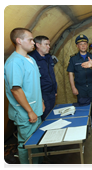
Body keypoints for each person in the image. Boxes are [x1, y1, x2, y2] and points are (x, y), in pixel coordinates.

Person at [4, 28, 45, 168]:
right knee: (27, 144)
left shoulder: (30, 59)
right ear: (19, 41)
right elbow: (16, 89)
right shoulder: (14, 62)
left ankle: (37, 164)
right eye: (30, 39)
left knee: (35, 141)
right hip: (26, 113)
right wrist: (30, 111)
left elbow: (34, 84)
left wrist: (41, 102)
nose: (33, 42)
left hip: (36, 108)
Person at [67, 34, 92, 132]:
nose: (83, 46)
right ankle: (84, 127)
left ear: (87, 45)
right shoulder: (73, 59)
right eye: (80, 44)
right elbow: (71, 74)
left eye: (85, 44)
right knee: (82, 108)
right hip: (80, 87)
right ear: (77, 46)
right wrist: (73, 88)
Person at [28, 36, 57, 121]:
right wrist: (40, 99)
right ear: (38, 45)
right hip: (41, 95)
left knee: (51, 116)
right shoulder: (31, 59)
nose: (49, 46)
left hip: (51, 92)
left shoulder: (48, 57)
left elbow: (52, 74)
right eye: (46, 44)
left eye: (49, 44)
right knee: (45, 119)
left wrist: (55, 90)